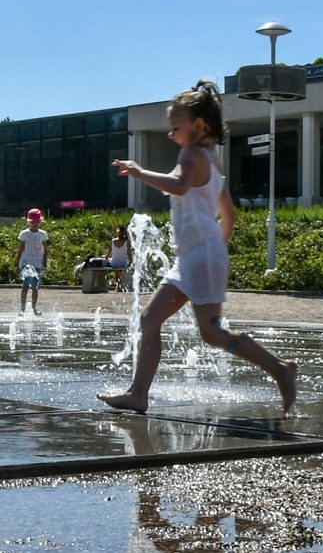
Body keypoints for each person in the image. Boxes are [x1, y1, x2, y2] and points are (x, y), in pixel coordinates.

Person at [98, 80, 299, 415]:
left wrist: (137, 170)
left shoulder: (192, 154)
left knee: (210, 332)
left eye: (176, 128)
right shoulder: (213, 159)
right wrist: (210, 254)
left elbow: (178, 186)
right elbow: (229, 216)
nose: (172, 135)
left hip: (200, 256)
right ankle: (138, 393)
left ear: (199, 125)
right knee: (149, 320)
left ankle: (280, 369)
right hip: (197, 256)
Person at [17, 208, 48, 314]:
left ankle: (34, 308)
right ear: (29, 222)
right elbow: (20, 249)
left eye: (37, 221)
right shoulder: (24, 234)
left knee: (35, 287)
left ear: (40, 221)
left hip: (38, 263)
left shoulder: (43, 234)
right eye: (33, 222)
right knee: (25, 286)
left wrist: (45, 260)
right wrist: (17, 264)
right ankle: (22, 308)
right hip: (26, 263)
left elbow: (46, 249)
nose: (35, 224)